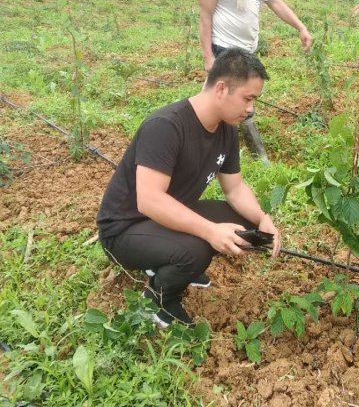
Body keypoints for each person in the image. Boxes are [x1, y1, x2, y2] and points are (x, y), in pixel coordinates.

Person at [96, 48, 282, 327]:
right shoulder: (166, 126)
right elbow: (149, 200)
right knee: (195, 248)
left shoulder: (226, 129)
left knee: (242, 221)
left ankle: (172, 260)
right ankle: (158, 299)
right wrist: (209, 230)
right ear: (221, 88)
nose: (251, 109)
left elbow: (235, 188)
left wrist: (262, 218)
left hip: (163, 219)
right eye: (248, 98)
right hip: (125, 230)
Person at [199, 0, 313, 163]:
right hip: (223, 49)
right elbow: (205, 16)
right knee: (225, 102)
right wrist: (209, 56)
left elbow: (275, 3)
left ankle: (231, 152)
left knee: (241, 100)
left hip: (248, 51)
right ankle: (233, 154)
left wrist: (300, 26)